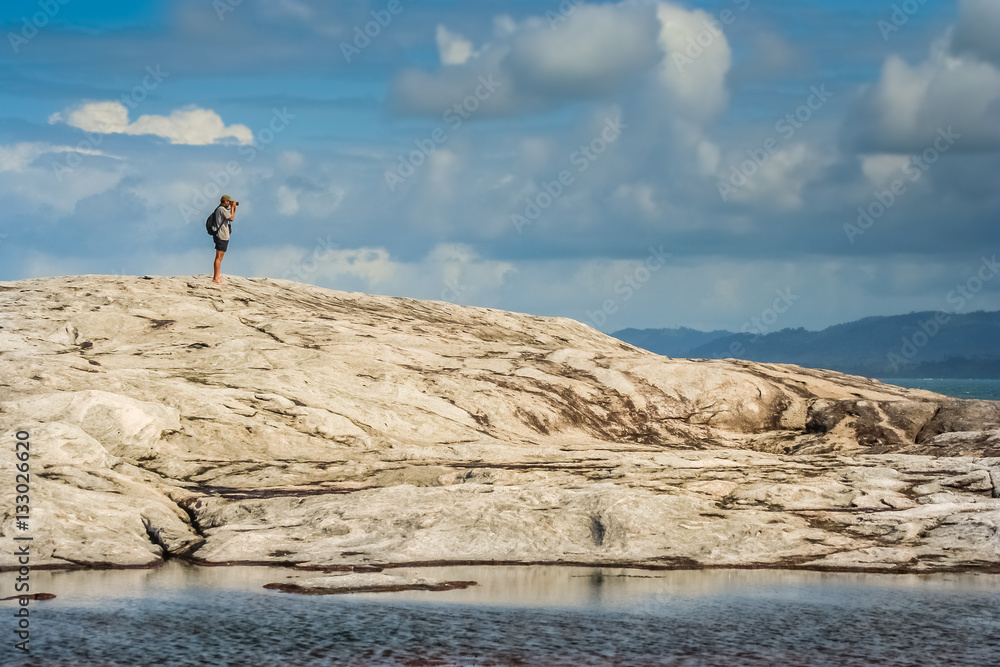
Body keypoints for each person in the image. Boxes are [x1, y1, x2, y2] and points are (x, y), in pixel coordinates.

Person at [212, 195, 237, 284]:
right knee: (219, 256)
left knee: (220, 256)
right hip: (221, 235)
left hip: (223, 235)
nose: (229, 204)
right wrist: (233, 207)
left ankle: (217, 275)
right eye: (228, 202)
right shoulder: (221, 209)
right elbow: (231, 218)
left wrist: (233, 207)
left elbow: (231, 215)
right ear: (225, 201)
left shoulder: (221, 209)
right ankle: (216, 277)